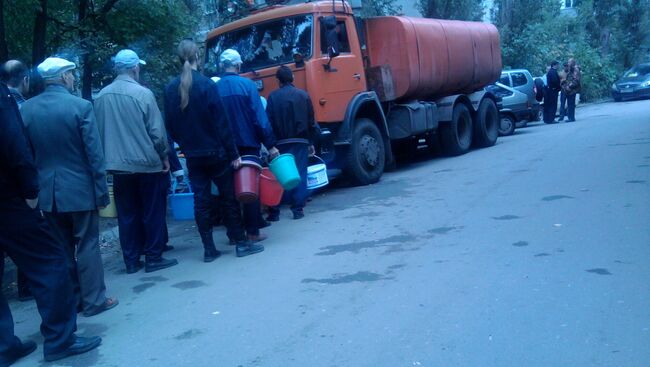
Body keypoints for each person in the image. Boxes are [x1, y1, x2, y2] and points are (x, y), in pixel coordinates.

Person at [0, 81, 102, 364]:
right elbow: (13, 142)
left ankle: (4, 346)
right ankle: (60, 339)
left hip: (25, 192)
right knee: (49, 261)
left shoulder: (28, 106)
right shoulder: (4, 97)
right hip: (9, 199)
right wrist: (30, 190)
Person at [21, 57, 118, 317]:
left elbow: (26, 155)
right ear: (64, 77)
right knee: (87, 245)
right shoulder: (80, 107)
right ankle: (95, 301)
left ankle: (73, 300)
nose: (74, 78)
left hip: (47, 194)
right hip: (80, 190)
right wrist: (101, 192)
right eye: (72, 74)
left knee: (61, 248)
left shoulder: (26, 110)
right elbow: (94, 155)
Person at [164, 40, 264, 260]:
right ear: (197, 57)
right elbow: (222, 123)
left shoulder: (170, 89)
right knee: (229, 198)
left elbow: (169, 128)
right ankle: (240, 243)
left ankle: (209, 249)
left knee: (201, 201)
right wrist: (234, 154)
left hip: (192, 155)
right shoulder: (207, 85)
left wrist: (183, 147)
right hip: (217, 153)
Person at [94, 49, 178, 274]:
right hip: (146, 163)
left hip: (117, 167)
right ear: (134, 68)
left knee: (127, 214)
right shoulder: (142, 94)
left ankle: (131, 261)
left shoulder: (101, 96)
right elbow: (157, 133)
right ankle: (153, 256)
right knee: (152, 210)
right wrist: (164, 157)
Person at [216, 49, 279, 242]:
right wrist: (270, 145)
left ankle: (235, 234)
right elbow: (260, 119)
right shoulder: (247, 86)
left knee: (228, 193)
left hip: (224, 148)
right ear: (238, 65)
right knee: (249, 189)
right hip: (248, 145)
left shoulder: (214, 89)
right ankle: (253, 232)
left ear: (221, 66)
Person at [266, 66, 320, 221]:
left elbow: (268, 122)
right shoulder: (303, 95)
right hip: (300, 141)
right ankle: (297, 209)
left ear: (278, 81)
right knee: (300, 173)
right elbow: (311, 121)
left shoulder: (273, 97)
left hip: (280, 143)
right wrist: (310, 141)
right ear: (293, 78)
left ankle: (274, 212)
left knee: (279, 176)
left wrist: (270, 144)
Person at [1, 60, 33, 302]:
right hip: (15, 191)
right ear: (25, 80)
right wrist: (31, 190)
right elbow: (20, 150)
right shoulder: (15, 105)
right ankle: (28, 287)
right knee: (35, 246)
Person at [563, 58, 581, 122]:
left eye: (569, 62)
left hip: (572, 90)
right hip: (568, 90)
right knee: (569, 104)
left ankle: (571, 118)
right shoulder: (570, 70)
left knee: (571, 104)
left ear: (572, 63)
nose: (568, 63)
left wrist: (569, 86)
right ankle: (570, 117)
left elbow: (576, 80)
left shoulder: (575, 70)